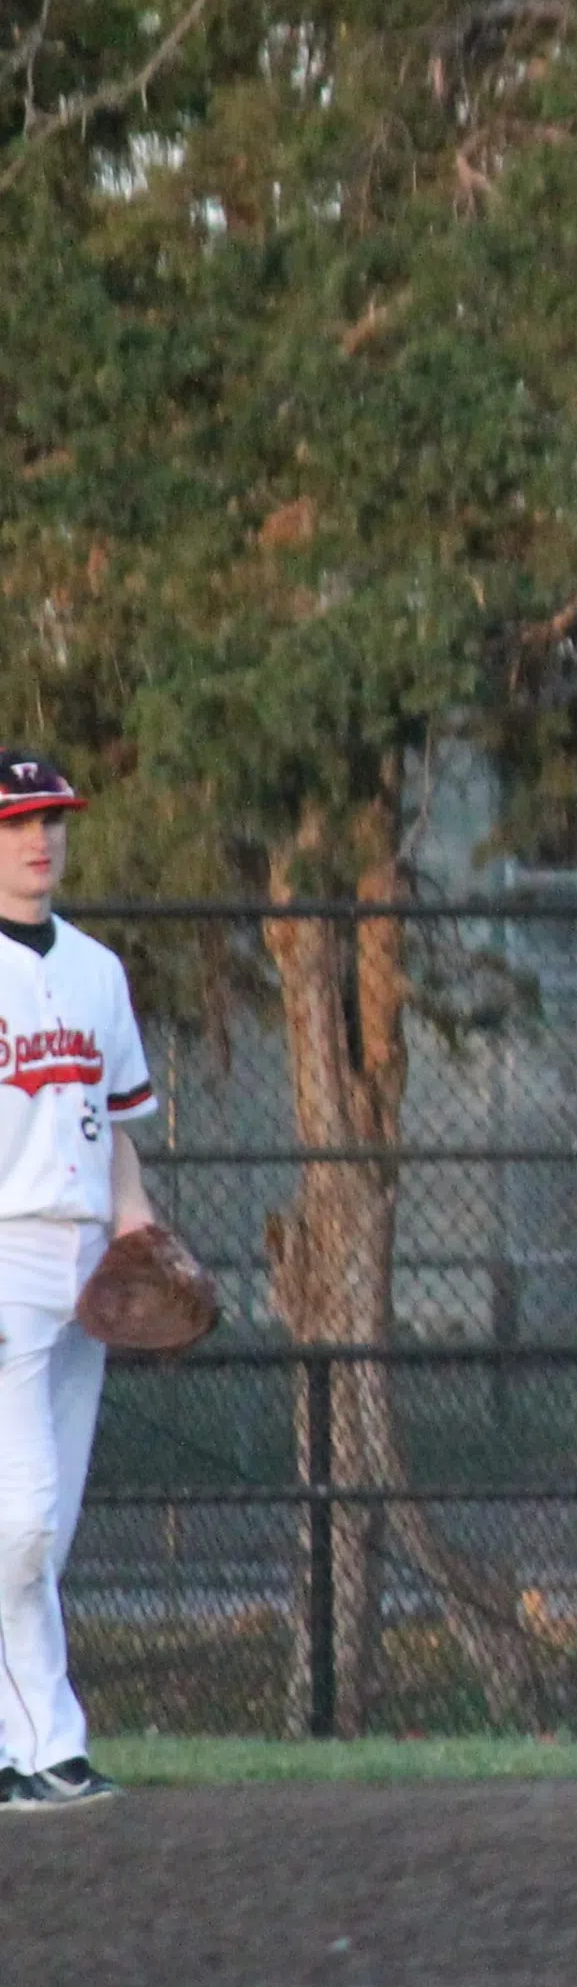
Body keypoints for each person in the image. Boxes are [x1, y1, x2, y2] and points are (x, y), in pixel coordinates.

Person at [0, 753, 158, 1813]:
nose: (38, 840)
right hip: (2, 1252)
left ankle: (31, 1753)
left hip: (88, 1260)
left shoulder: (98, 970)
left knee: (50, 1514)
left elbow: (120, 1128)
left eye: (50, 820)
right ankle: (47, 1739)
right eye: (16, 824)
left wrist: (138, 1227)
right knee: (26, 1517)